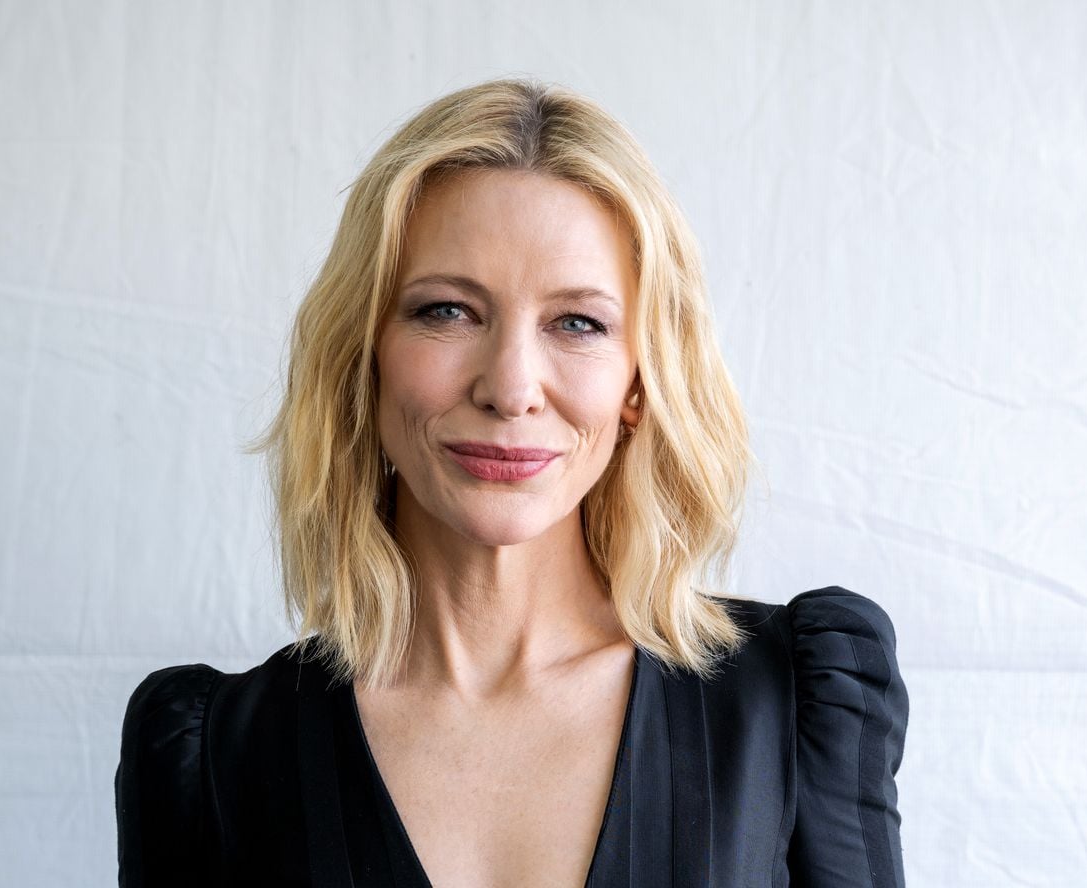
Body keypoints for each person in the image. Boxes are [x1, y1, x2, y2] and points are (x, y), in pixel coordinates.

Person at [115, 77, 908, 888]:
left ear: (639, 385)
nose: (511, 387)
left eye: (578, 323)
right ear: (363, 358)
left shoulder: (796, 703)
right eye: (447, 311)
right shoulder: (212, 757)